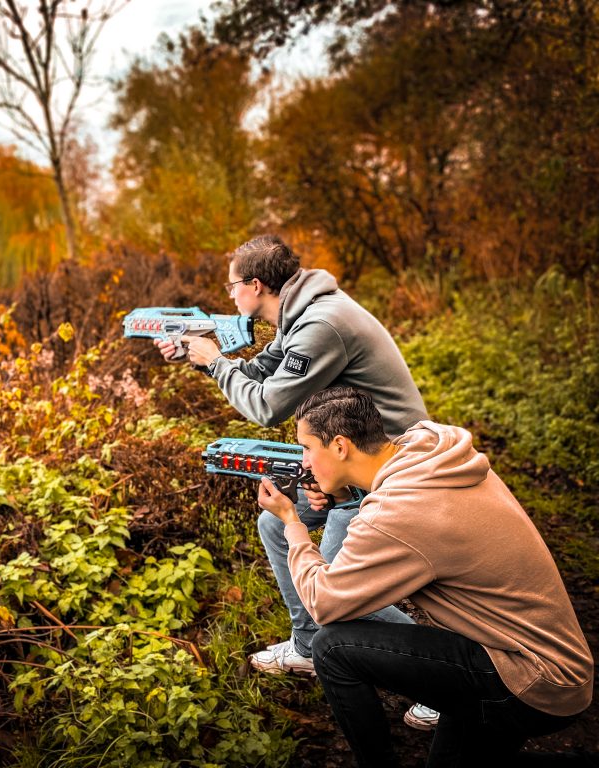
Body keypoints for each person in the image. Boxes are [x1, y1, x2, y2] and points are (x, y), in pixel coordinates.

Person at [155, 234, 439, 729]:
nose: (228, 297)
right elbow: (264, 375)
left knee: (334, 582)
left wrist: (215, 362)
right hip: (349, 457)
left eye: (232, 287)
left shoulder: (320, 324)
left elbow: (266, 406)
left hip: (387, 467)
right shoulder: (301, 313)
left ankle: (439, 679)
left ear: (256, 285)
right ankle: (309, 646)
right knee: (276, 525)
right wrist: (198, 358)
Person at [256, 386, 594, 766]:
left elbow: (323, 605)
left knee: (332, 648)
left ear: (339, 446)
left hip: (527, 682)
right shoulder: (429, 451)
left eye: (306, 448)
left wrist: (291, 521)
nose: (304, 462)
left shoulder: (398, 512)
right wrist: (340, 492)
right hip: (538, 657)